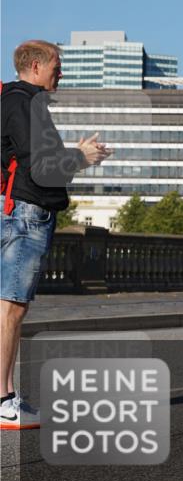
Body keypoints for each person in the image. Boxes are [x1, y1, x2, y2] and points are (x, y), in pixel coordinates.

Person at [1, 40, 111, 430]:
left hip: (14, 208)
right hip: (26, 213)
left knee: (7, 306)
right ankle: (4, 400)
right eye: (57, 67)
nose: (60, 74)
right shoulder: (25, 102)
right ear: (35, 66)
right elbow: (41, 168)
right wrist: (82, 157)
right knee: (12, 307)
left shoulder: (14, 101)